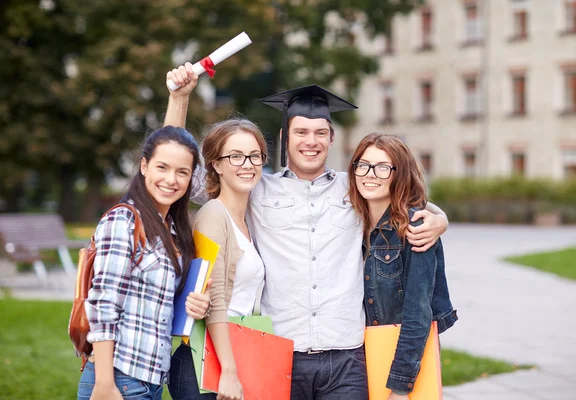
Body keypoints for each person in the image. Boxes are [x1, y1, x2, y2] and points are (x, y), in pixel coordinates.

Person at [164, 64, 448, 399]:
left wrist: (439, 217)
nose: (310, 142)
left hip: (347, 360)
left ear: (331, 137)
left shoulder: (355, 187)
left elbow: (401, 198)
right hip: (280, 356)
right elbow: (179, 176)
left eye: (319, 133)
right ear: (286, 137)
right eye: (300, 132)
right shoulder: (255, 188)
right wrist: (178, 99)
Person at [78, 126, 212, 400]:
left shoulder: (173, 230)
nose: (170, 179)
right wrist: (104, 383)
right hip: (118, 378)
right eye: (162, 167)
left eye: (182, 172)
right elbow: (104, 304)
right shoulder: (124, 221)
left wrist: (196, 303)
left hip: (150, 383)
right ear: (144, 166)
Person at [348, 133, 458, 399]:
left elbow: (418, 315)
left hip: (402, 362)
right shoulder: (350, 222)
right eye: (363, 165)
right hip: (356, 362)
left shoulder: (415, 228)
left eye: (383, 167)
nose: (370, 174)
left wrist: (400, 388)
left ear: (400, 174)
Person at [168, 118, 269, 400]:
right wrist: (228, 370)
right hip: (206, 361)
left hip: (237, 353)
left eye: (254, 155)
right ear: (216, 164)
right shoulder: (214, 214)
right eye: (235, 156)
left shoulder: (249, 220)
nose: (247, 164)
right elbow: (215, 298)